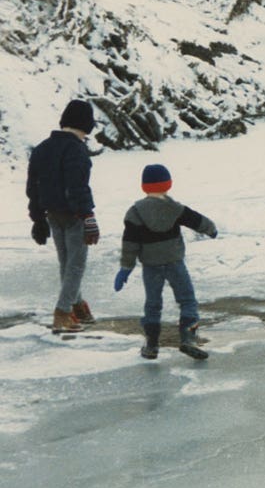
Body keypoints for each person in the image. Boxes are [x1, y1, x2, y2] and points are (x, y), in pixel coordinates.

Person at [113, 164, 218, 360]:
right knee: (187, 300)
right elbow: (198, 221)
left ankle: (151, 344)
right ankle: (188, 338)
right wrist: (211, 230)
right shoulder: (175, 208)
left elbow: (130, 244)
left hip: (151, 266)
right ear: (168, 184)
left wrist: (125, 269)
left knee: (153, 304)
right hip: (174, 262)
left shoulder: (135, 212)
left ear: (144, 186)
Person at [26, 99, 101, 333]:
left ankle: (78, 307)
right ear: (85, 125)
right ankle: (63, 312)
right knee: (75, 265)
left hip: (52, 215)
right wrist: (88, 217)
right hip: (74, 215)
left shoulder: (42, 148)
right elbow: (77, 186)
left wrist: (38, 218)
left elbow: (33, 187)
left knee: (66, 263)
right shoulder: (76, 150)